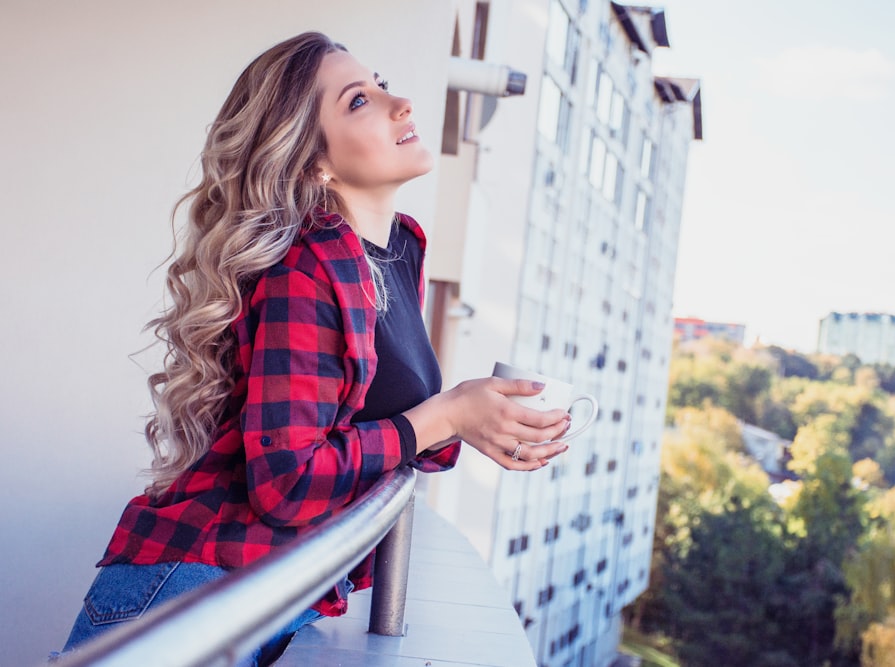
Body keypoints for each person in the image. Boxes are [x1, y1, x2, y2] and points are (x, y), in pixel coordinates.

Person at [55, 32, 571, 665]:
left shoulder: (396, 252)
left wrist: (474, 419)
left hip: (261, 594)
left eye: (380, 83)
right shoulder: (306, 266)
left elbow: (378, 431)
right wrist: (446, 415)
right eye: (360, 101)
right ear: (312, 163)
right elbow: (289, 482)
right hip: (191, 596)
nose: (400, 103)